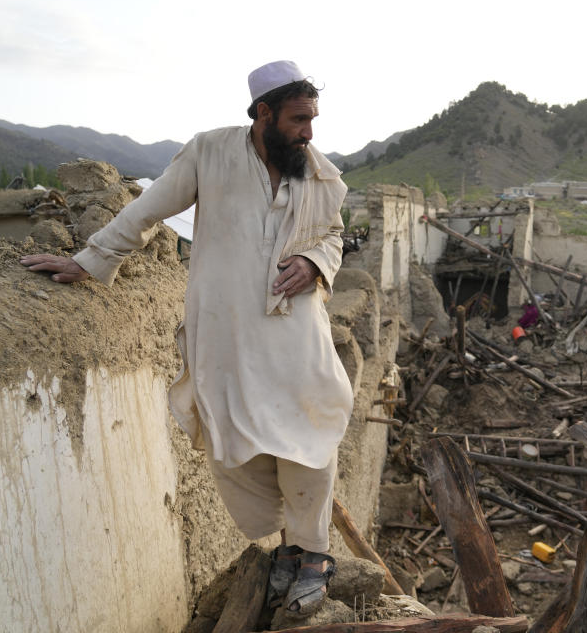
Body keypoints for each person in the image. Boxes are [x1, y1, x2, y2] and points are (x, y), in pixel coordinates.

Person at [20, 60, 352, 615]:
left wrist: (317, 262)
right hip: (224, 331)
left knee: (312, 428)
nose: (309, 132)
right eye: (299, 119)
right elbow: (147, 211)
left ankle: (312, 555)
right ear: (264, 113)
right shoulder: (210, 153)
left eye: (313, 119)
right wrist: (90, 259)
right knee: (239, 446)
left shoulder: (323, 176)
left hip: (296, 329)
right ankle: (288, 548)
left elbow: (335, 235)